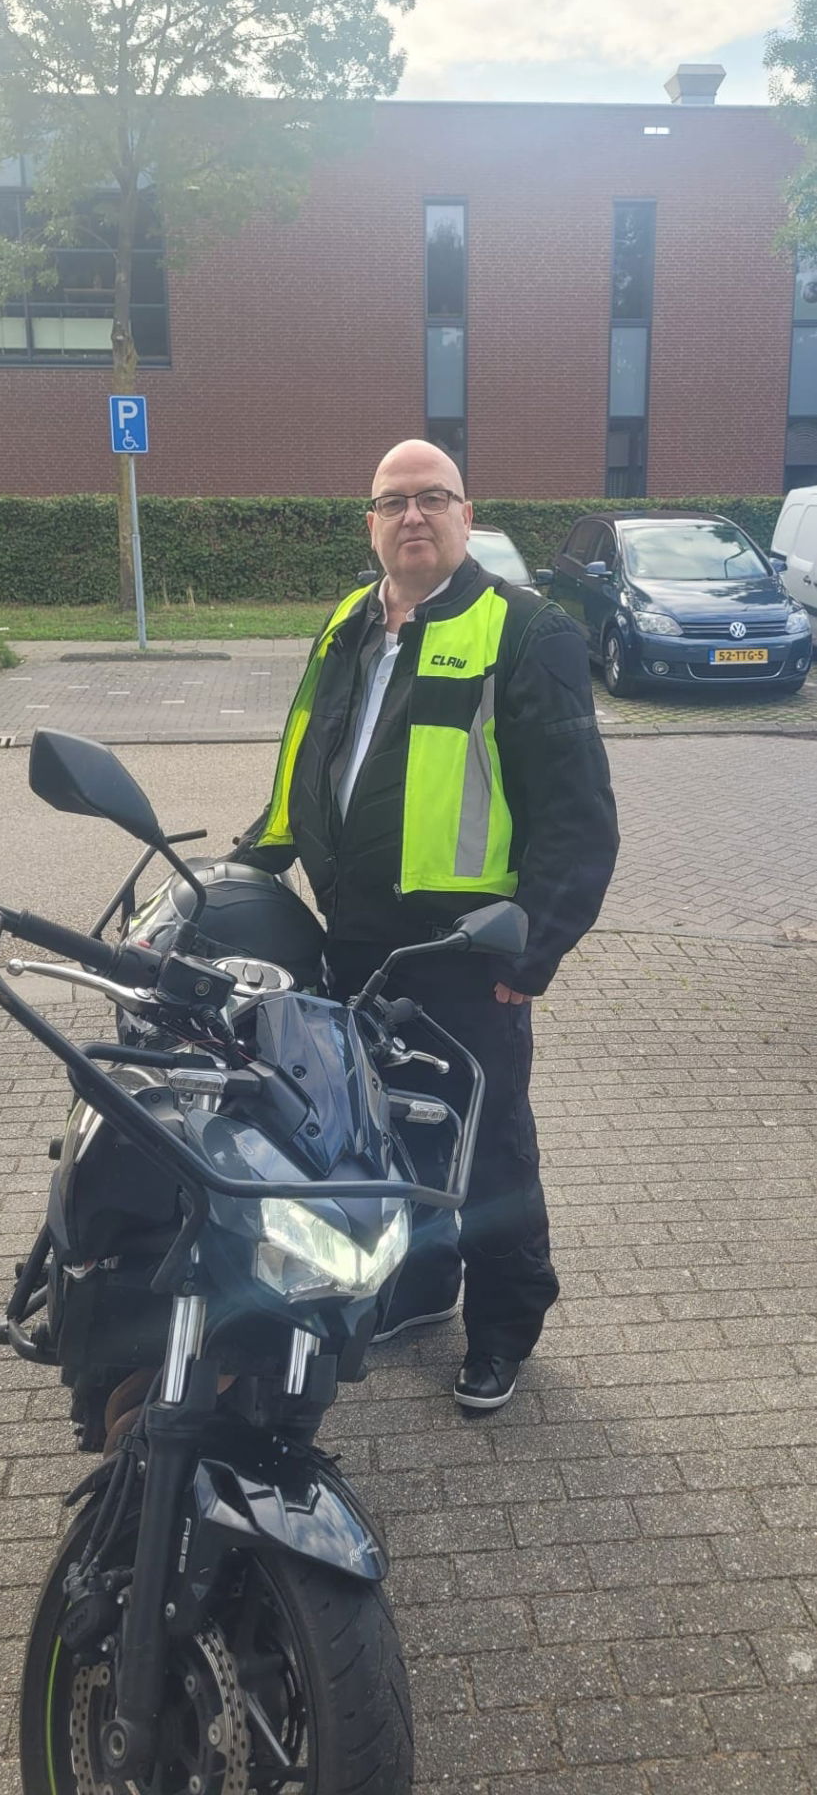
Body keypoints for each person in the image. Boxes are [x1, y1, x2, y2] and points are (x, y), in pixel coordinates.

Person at [233, 439, 619, 1410]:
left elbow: (577, 818)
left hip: (467, 952)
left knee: (487, 1149)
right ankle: (422, 1283)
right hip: (355, 938)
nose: (412, 515)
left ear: (465, 514)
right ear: (370, 523)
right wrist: (254, 857)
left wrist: (532, 954)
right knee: (386, 1135)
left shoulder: (524, 631)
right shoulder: (348, 623)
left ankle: (504, 1328)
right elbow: (307, 754)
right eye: (393, 501)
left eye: (432, 498)